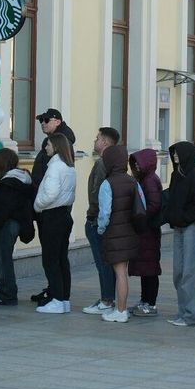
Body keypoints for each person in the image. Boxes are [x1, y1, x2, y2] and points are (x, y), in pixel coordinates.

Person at [29, 108, 75, 306]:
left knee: (52, 258)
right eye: (41, 120)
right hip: (60, 213)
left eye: (46, 120)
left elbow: (50, 192)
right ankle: (60, 295)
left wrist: (37, 205)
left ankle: (56, 296)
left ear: (58, 121)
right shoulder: (64, 161)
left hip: (52, 213)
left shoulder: (57, 160)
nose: (42, 123)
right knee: (58, 257)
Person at [0, 148, 34, 305]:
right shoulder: (22, 179)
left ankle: (6, 293)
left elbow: (1, 210)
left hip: (5, 224)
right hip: (13, 224)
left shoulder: (8, 184)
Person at [95, 144, 139, 323]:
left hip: (114, 233)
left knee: (120, 273)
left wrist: (100, 229)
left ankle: (120, 311)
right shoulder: (132, 181)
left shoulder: (108, 183)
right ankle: (121, 309)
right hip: (129, 233)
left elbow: (105, 212)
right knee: (123, 271)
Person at [166, 140, 195, 326]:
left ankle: (191, 315)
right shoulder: (177, 175)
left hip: (191, 226)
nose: (174, 156)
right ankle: (182, 312)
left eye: (177, 153)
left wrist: (184, 218)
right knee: (178, 272)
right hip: (179, 226)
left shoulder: (194, 175)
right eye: (173, 153)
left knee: (190, 271)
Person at [81, 127, 120, 317]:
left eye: (97, 138)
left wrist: (92, 217)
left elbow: (97, 193)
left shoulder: (102, 164)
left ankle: (106, 299)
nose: (94, 141)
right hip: (104, 219)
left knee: (102, 262)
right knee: (107, 262)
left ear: (104, 142)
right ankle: (108, 298)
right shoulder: (113, 163)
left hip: (97, 220)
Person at [128, 148, 162, 316]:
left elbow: (154, 204)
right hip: (145, 231)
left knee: (149, 270)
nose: (136, 167)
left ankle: (150, 303)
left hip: (148, 230)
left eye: (138, 163)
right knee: (145, 268)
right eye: (134, 163)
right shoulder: (146, 179)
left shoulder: (149, 180)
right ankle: (145, 301)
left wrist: (141, 217)